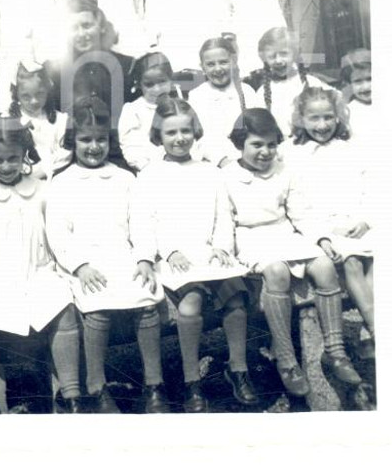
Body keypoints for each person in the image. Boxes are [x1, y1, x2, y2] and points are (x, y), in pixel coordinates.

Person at [131, 95, 256, 412]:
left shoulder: (210, 172)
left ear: (195, 131)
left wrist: (221, 247)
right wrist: (168, 251)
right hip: (176, 261)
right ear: (158, 135)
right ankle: (192, 381)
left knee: (237, 299)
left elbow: (223, 217)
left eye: (185, 131)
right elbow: (144, 222)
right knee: (190, 305)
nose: (179, 138)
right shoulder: (149, 176)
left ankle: (238, 370)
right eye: (171, 133)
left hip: (210, 256)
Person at [223, 108, 362, 394]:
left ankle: (335, 351)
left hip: (284, 233)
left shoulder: (285, 171)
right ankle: (286, 360)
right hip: (249, 238)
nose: (265, 152)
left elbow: (300, 213)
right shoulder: (226, 176)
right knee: (276, 271)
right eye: (256, 145)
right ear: (240, 143)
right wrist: (224, 250)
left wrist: (321, 239)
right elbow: (223, 218)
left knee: (323, 265)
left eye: (271, 144)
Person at [0, 115, 80, 414]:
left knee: (63, 310)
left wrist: (73, 269)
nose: (6, 166)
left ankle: (72, 392)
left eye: (12, 158)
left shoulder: (41, 191)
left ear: (24, 156)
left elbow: (58, 238)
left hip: (37, 274)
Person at [46, 96, 169, 414]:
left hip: (123, 256)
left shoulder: (126, 179)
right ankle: (98, 387)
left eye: (100, 139)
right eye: (85, 140)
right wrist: (81, 266)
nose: (93, 147)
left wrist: (143, 258)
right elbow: (58, 234)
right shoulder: (62, 183)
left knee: (147, 300)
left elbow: (141, 222)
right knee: (96, 306)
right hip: (85, 263)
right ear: (73, 141)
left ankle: (154, 385)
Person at [288, 87, 375, 359]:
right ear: (301, 119)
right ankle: (377, 329)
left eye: (328, 117)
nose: (322, 125)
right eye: (314, 118)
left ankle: (367, 331)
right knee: (352, 261)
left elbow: (370, 187)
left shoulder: (351, 149)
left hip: (358, 222)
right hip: (325, 228)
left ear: (338, 117)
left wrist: (365, 219)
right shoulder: (292, 154)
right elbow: (296, 206)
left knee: (382, 256)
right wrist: (323, 235)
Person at [60, 0, 136, 127]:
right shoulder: (59, 72)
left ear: (101, 27)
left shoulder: (127, 66)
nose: (81, 34)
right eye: (74, 28)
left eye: (87, 26)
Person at [188, 36, 257, 168]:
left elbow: (257, 129)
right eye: (210, 64)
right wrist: (222, 160)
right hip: (212, 161)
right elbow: (201, 137)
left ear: (233, 61)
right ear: (202, 67)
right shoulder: (197, 96)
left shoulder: (247, 92)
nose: (218, 68)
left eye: (223, 62)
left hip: (246, 159)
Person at [254, 27, 329, 138]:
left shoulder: (312, 83)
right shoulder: (262, 93)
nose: (278, 60)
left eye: (284, 54)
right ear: (264, 58)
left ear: (294, 54)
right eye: (272, 56)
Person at [118, 51, 182, 172]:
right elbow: (131, 147)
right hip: (150, 168)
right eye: (149, 85)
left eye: (162, 81)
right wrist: (150, 167)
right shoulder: (133, 110)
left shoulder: (180, 106)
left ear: (170, 79)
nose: (157, 89)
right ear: (139, 85)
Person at [8, 61, 71, 179]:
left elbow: (66, 153)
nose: (34, 101)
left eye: (39, 94)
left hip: (57, 176)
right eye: (26, 96)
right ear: (16, 94)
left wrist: (43, 169)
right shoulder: (10, 121)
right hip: (23, 178)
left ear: (47, 90)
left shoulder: (60, 120)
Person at [339, 48, 372, 142]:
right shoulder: (348, 112)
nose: (366, 87)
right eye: (358, 81)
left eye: (370, 79)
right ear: (349, 84)